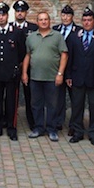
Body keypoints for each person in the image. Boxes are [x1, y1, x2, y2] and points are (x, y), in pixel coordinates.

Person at [66, 8, 94, 146]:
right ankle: (78, 132)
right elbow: (69, 58)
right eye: (84, 20)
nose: (86, 23)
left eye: (89, 20)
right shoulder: (74, 37)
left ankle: (93, 133)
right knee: (77, 106)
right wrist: (68, 75)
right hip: (77, 77)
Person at [22, 12, 68, 142]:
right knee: (36, 104)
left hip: (52, 77)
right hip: (35, 77)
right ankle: (38, 128)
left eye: (46, 19)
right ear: (37, 22)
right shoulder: (31, 37)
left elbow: (64, 55)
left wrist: (60, 74)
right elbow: (28, 55)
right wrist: (24, 73)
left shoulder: (57, 36)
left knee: (53, 105)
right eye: (41, 20)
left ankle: (52, 129)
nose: (43, 22)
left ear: (49, 21)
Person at [0, 2, 26, 141]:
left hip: (11, 73)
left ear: (7, 15)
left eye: (3, 15)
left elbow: (21, 52)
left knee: (11, 102)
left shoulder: (17, 32)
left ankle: (11, 128)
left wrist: (14, 66)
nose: (1, 18)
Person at [52, 5, 81, 135]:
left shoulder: (79, 31)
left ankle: (74, 124)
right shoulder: (55, 30)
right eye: (63, 15)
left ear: (72, 17)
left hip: (73, 70)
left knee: (75, 98)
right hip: (58, 69)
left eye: (68, 15)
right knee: (58, 98)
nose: (65, 18)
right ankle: (58, 122)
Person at [10, 0, 38, 131]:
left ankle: (32, 122)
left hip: (30, 67)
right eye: (18, 11)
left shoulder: (33, 28)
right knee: (11, 95)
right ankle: (10, 120)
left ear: (26, 12)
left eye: (22, 11)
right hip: (13, 66)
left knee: (30, 95)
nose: (20, 13)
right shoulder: (9, 27)